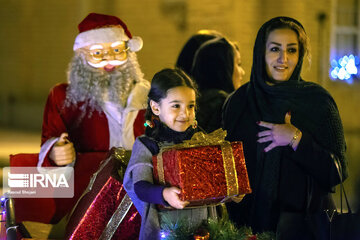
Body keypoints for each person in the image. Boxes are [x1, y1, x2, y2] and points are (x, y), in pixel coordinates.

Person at [222, 16, 347, 239]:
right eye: (274, 49)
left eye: (291, 50)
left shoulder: (318, 103)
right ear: (261, 52)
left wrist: (296, 139)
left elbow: (335, 172)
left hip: (303, 228)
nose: (283, 59)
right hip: (244, 228)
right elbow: (225, 164)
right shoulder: (239, 102)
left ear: (299, 56)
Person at [39, 12, 149, 169]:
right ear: (81, 57)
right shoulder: (63, 97)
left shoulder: (150, 95)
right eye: (97, 53)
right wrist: (54, 152)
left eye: (117, 50)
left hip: (141, 186)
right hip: (87, 185)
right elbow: (51, 139)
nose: (109, 58)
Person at [124, 68, 215, 239]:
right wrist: (164, 194)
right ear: (155, 107)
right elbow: (140, 187)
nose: (185, 113)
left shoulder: (200, 141)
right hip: (165, 229)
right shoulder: (148, 144)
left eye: (191, 106)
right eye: (176, 106)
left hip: (204, 228)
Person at [191, 37, 245, 133]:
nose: (243, 72)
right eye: (238, 64)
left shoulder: (191, 101)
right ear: (224, 68)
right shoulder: (223, 103)